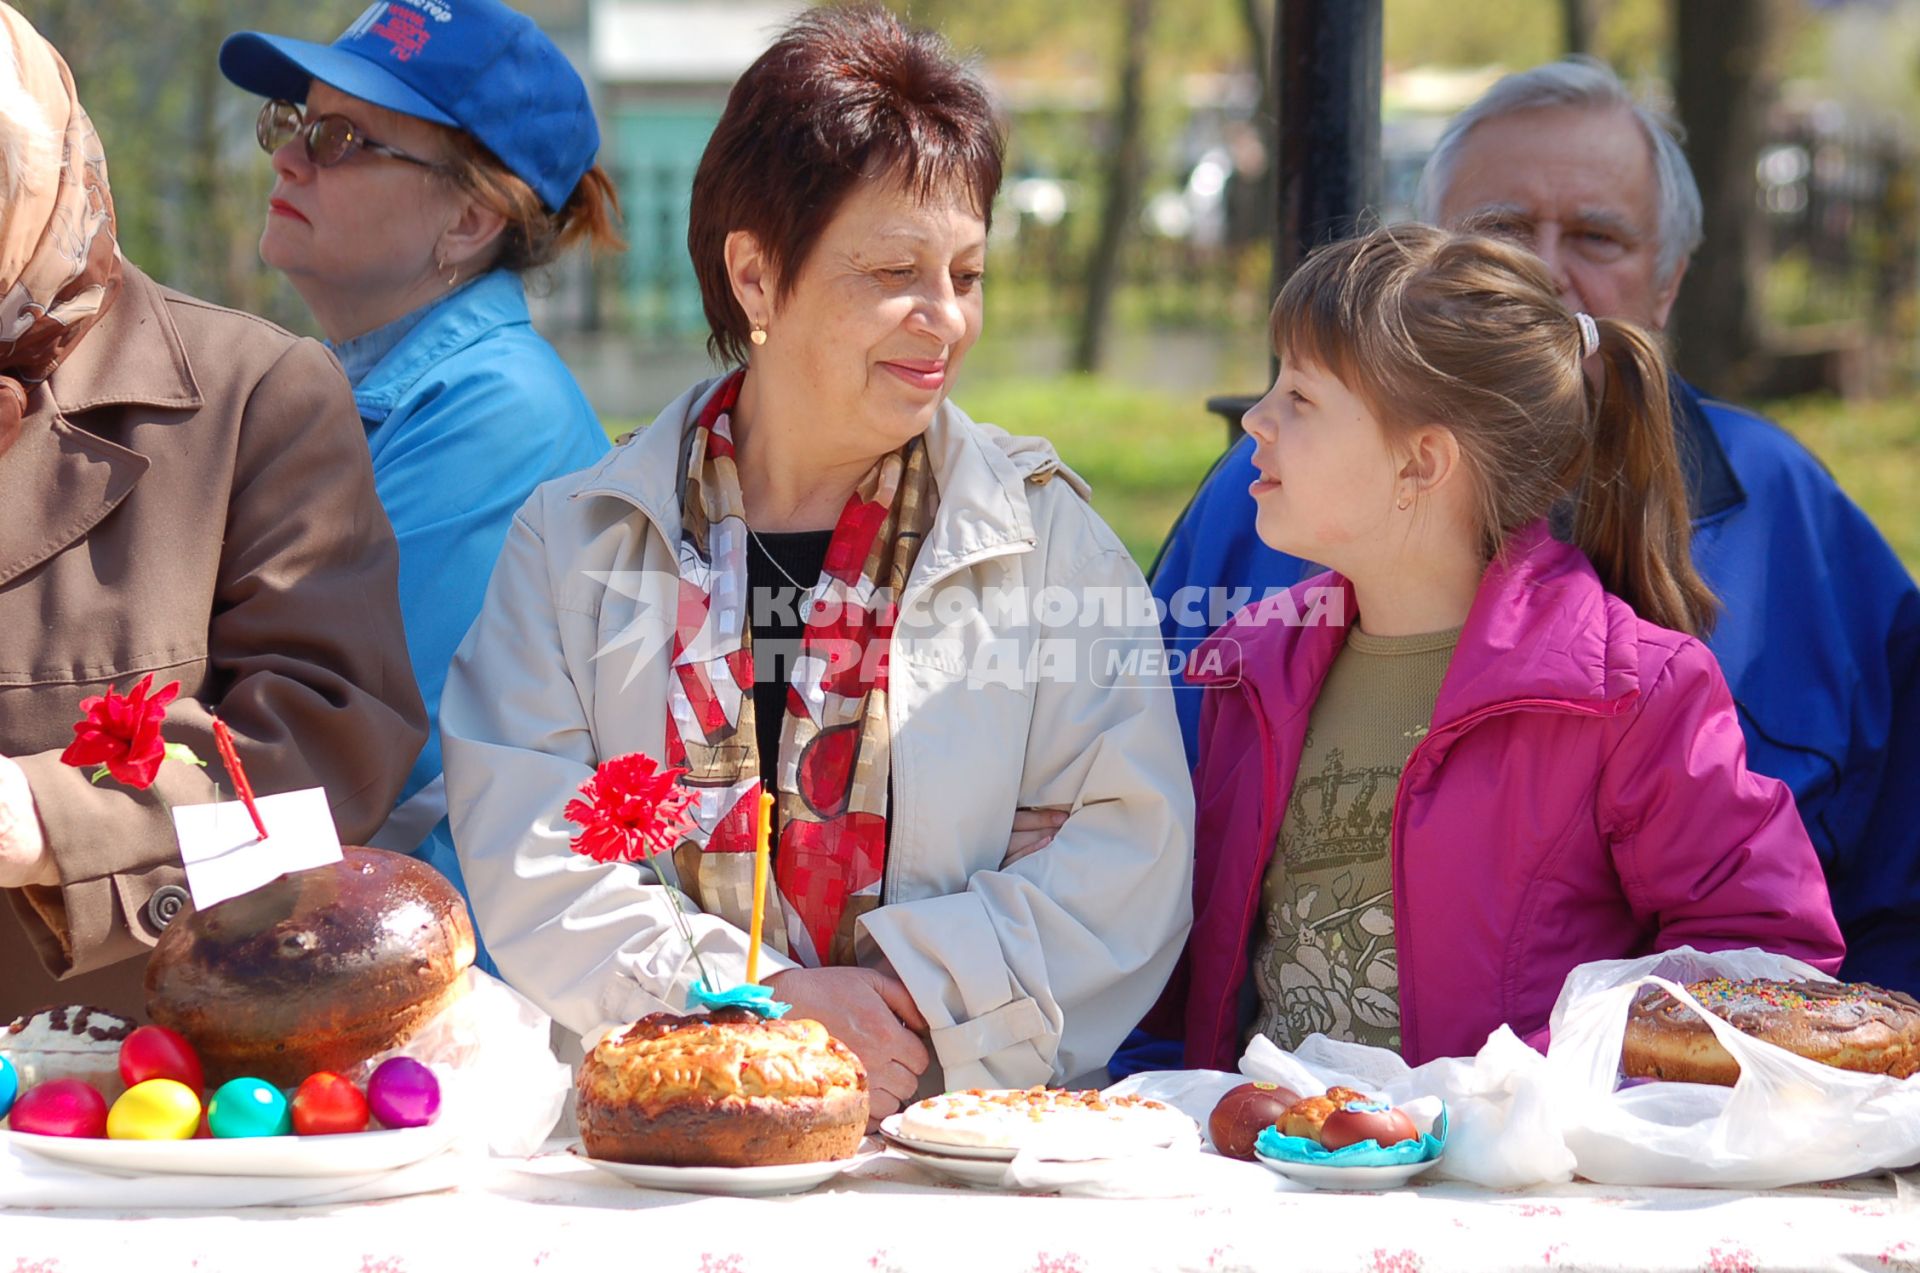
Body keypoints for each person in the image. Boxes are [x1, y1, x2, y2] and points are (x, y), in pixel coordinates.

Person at [439, 6, 1193, 1122]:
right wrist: (763, 1003)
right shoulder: (580, 540)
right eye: (896, 269)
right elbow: (532, 857)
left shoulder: (1043, 538)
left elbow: (1127, 852)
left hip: (956, 1142)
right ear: (755, 275)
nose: (945, 319)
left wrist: (903, 1001)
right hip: (665, 1138)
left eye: (968, 274)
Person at [1150, 57, 1920, 994]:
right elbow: (1158, 842)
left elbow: (1838, 914)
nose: (1545, 268)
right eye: (1501, 229)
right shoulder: (1257, 498)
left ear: (1668, 283)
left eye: (1596, 235)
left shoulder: (1785, 519)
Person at [1159, 225, 1843, 1069]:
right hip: (1266, 1178)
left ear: (1421, 462)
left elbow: (1766, 959)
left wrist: (1557, 1076)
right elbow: (1188, 966)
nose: (1255, 420)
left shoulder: (1633, 693)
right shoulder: (1248, 672)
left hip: (1501, 1192)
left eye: (1299, 397)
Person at [0, 3, 426, 1021]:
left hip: (121, 1114)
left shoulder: (254, 398)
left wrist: (49, 821)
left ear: (39, 168)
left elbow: (328, 760)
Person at [218, 0, 619, 879]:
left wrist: (98, 857)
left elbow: (334, 745)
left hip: (449, 973)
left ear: (470, 222)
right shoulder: (357, 381)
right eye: (294, 122)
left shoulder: (500, 413)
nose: (287, 157)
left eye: (340, 139)